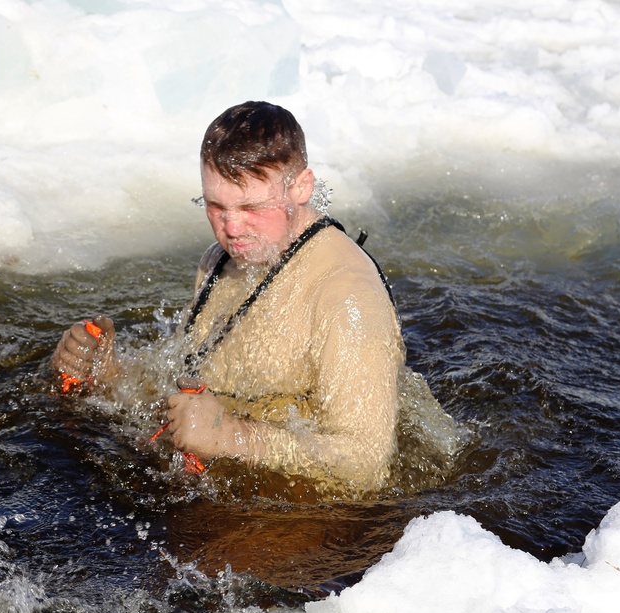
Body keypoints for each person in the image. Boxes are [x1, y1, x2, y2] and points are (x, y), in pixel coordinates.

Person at [52, 101, 408, 493]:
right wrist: (109, 375)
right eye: (216, 206)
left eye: (252, 207)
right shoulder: (221, 260)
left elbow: (367, 464)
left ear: (302, 187)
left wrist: (235, 438)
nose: (232, 228)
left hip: (323, 522)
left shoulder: (347, 296)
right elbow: (197, 376)